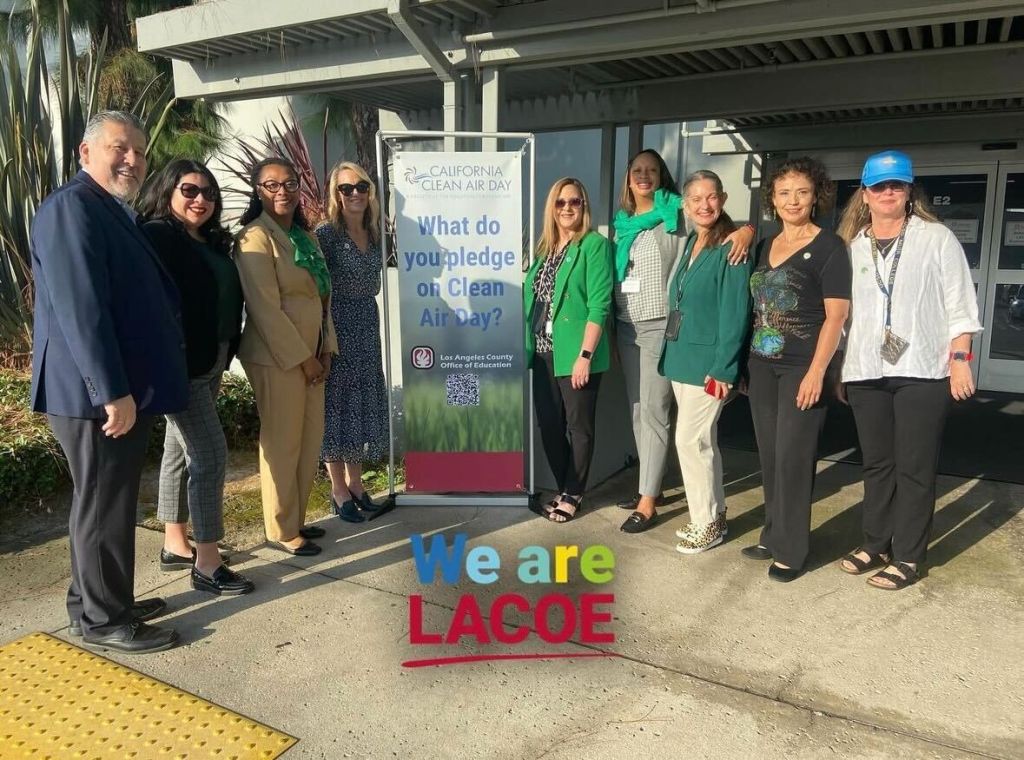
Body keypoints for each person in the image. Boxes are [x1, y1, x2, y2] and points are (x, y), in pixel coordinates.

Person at [30, 111, 188, 653]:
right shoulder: (72, 207)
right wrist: (111, 392)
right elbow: (82, 310)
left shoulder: (106, 208)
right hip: (94, 394)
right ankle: (104, 620)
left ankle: (94, 604)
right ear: (85, 152)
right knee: (104, 505)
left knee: (102, 502)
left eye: (140, 151)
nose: (133, 160)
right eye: (120, 148)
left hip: (110, 389)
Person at [836, 150, 982, 590]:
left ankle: (909, 556)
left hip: (922, 367)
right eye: (879, 186)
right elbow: (841, 315)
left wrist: (960, 361)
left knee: (914, 467)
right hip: (865, 367)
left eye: (896, 185)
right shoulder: (851, 246)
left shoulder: (936, 238)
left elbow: (960, 304)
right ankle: (875, 542)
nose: (888, 192)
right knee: (877, 464)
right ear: (865, 194)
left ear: (908, 191)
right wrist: (840, 369)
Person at [613, 149, 752, 533]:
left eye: (652, 170)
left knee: (658, 415)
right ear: (628, 178)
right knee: (640, 412)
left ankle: (648, 501)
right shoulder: (622, 223)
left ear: (662, 176)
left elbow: (718, 226)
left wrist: (747, 230)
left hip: (661, 325)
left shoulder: (677, 212)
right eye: (637, 170)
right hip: (626, 326)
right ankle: (649, 485)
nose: (644, 176)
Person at [138, 159, 254, 596]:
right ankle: (207, 562)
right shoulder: (158, 236)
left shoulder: (210, 239)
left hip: (215, 356)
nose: (200, 199)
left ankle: (174, 542)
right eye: (189, 190)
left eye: (208, 192)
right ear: (168, 190)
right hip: (182, 364)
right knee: (209, 453)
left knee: (178, 447)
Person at [742, 157, 851, 582]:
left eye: (802, 192)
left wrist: (818, 371)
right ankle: (773, 534)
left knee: (794, 458)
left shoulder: (829, 247)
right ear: (772, 198)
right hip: (762, 366)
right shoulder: (764, 244)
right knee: (771, 456)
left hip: (801, 368)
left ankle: (792, 550)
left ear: (815, 196)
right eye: (784, 192)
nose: (793, 200)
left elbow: (836, 316)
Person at [235, 158, 338, 556]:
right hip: (277, 357)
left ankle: (296, 518)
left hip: (313, 353)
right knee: (282, 443)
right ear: (258, 190)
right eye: (272, 184)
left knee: (308, 441)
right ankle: (281, 529)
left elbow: (322, 299)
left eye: (290, 183)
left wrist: (326, 349)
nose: (283, 191)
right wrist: (303, 359)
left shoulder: (305, 237)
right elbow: (265, 309)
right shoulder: (254, 238)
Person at [659, 170, 752, 553]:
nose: (704, 205)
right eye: (696, 199)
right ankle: (716, 515)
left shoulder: (732, 246)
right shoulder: (693, 242)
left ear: (723, 199)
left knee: (689, 441)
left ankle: (706, 523)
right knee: (703, 442)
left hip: (709, 365)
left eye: (711, 197)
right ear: (685, 204)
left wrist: (724, 367)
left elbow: (735, 313)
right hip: (683, 358)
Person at [524, 178, 613, 523]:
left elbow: (599, 305)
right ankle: (565, 486)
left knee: (579, 428)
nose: (567, 208)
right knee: (549, 425)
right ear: (552, 207)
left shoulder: (594, 246)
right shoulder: (545, 250)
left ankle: (574, 493)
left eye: (574, 201)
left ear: (584, 205)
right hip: (542, 352)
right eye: (560, 202)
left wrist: (585, 356)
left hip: (575, 353)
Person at [314, 161, 389, 522]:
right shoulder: (326, 235)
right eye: (346, 188)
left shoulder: (375, 233)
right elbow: (316, 288)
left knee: (360, 405)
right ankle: (338, 489)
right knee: (338, 406)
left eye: (361, 186)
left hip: (367, 326)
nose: (355, 193)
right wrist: (322, 339)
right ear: (336, 194)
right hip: (338, 326)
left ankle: (357, 484)